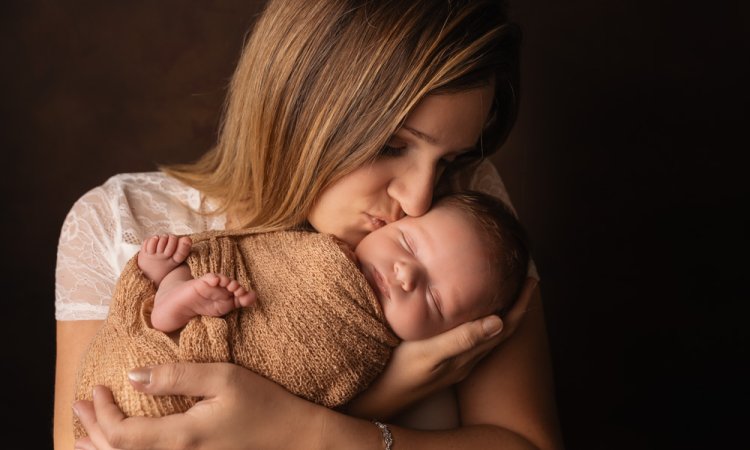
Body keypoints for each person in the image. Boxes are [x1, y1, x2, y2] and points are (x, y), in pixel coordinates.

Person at [55, 0, 564, 449]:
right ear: (296, 105)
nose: (418, 199)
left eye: (449, 159)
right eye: (390, 146)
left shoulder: (463, 204)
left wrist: (318, 435)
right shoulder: (117, 220)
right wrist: (386, 394)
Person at [73, 191, 530, 437]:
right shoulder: (109, 215)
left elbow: (307, 386)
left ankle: (175, 304)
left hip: (208, 363)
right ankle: (171, 298)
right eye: (408, 243)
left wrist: (387, 389)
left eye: (434, 302)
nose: (406, 276)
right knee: (196, 289)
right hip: (158, 353)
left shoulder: (471, 212)